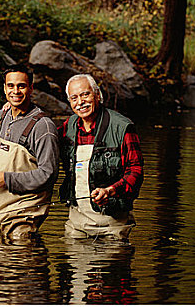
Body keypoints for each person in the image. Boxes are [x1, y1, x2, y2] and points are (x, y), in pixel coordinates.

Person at [0, 64, 59, 242]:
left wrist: (6, 179)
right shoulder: (1, 117)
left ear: (31, 88)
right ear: (4, 88)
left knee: (19, 262)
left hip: (25, 214)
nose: (15, 91)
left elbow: (49, 174)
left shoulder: (43, 126)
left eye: (21, 86)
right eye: (10, 86)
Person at [58, 74, 144, 240]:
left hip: (114, 222)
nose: (80, 102)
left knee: (112, 265)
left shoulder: (122, 127)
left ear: (97, 95)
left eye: (85, 95)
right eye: (74, 98)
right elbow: (42, 142)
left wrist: (111, 190)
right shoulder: (68, 127)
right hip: (76, 223)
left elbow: (136, 171)